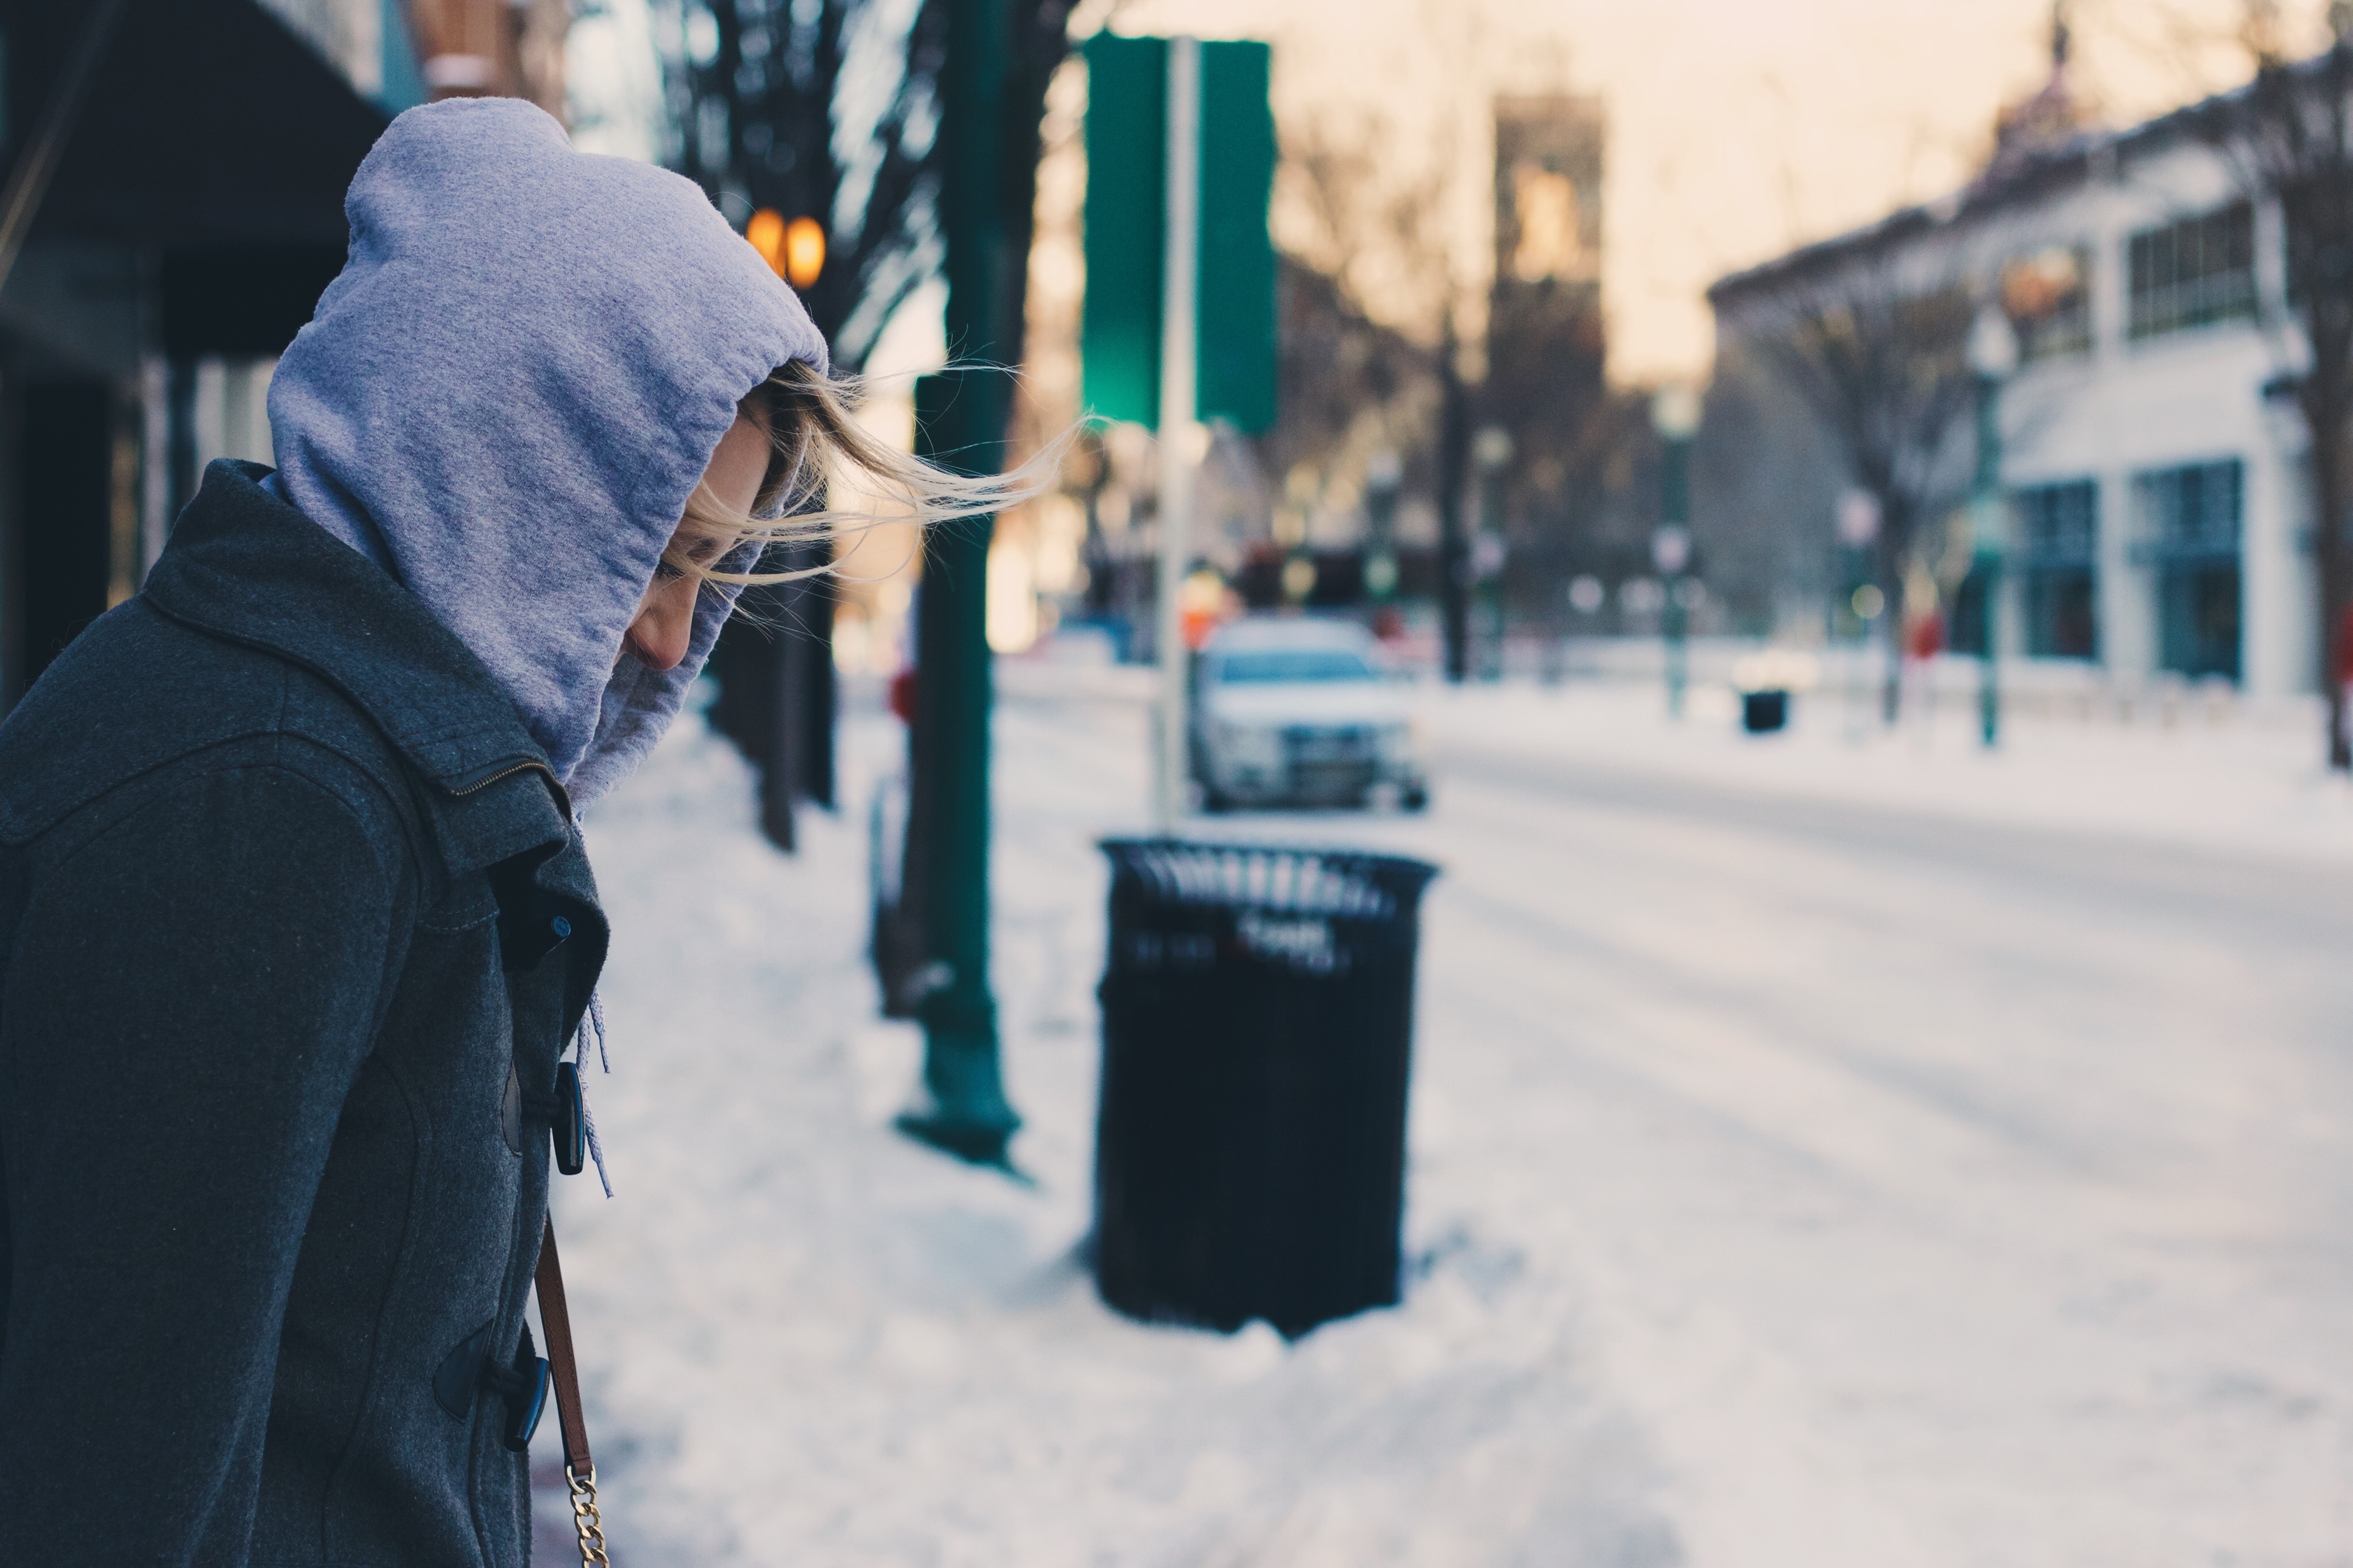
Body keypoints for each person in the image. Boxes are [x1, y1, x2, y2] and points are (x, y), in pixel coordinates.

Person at [0, 98, 1022, 1565]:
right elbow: (112, 1491)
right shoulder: (271, 798)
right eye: (654, 557)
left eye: (709, 575)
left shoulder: (345, 768)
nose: (674, 643)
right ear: (506, 479)